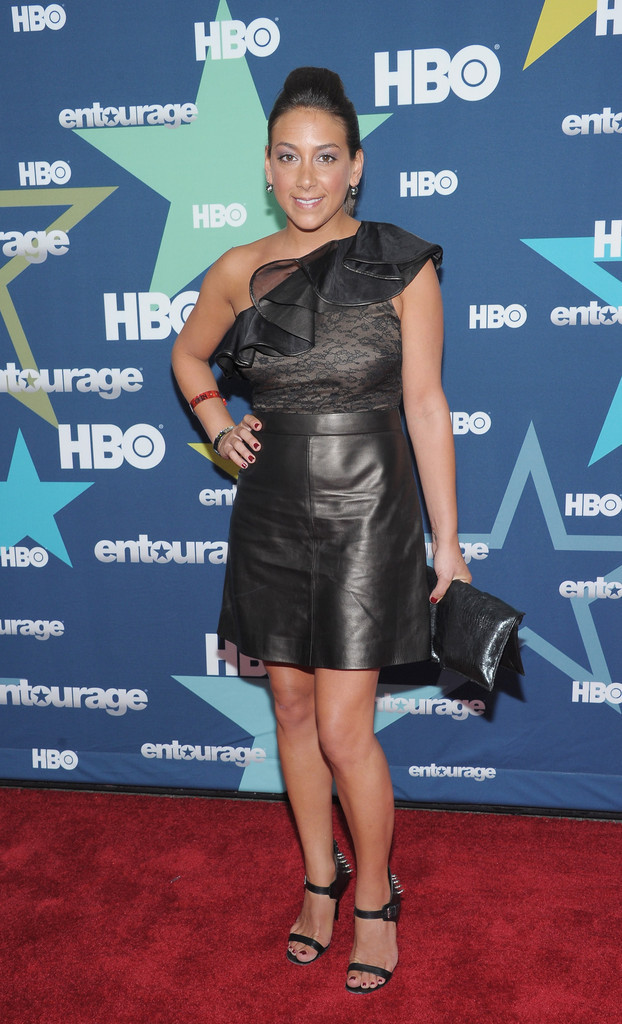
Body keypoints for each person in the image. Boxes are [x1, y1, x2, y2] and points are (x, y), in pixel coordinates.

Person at [172, 66, 471, 993]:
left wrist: (449, 543)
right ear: (267, 167)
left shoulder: (403, 264)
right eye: (290, 157)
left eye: (327, 157)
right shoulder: (238, 268)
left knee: (344, 730)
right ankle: (319, 879)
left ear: (357, 166)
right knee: (291, 712)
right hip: (270, 509)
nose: (308, 177)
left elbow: (426, 405)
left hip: (368, 509)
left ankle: (375, 895)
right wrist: (218, 423)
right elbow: (188, 353)